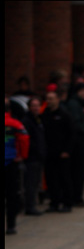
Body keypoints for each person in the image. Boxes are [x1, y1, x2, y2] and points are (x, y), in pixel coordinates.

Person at [42, 90, 75, 212]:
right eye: (48, 99)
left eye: (52, 98)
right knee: (51, 179)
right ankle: (54, 202)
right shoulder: (45, 114)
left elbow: (71, 134)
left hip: (62, 153)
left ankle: (67, 203)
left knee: (64, 178)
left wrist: (67, 150)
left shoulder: (64, 114)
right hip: (49, 152)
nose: (49, 101)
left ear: (57, 99)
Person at [64, 83, 84, 207]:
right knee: (78, 171)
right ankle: (77, 197)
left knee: (78, 171)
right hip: (78, 142)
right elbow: (76, 123)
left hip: (79, 140)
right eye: (81, 91)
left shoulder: (77, 103)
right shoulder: (74, 104)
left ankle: (76, 197)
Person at [5, 96, 30, 234]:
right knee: (12, 195)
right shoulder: (15, 124)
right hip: (11, 163)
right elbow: (24, 140)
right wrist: (22, 156)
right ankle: (11, 225)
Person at [20, 96, 46, 216]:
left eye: (37, 105)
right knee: (30, 183)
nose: (36, 108)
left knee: (35, 182)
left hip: (38, 157)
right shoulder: (27, 121)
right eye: (33, 106)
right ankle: (29, 207)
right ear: (29, 107)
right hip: (31, 157)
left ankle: (32, 204)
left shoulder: (38, 119)